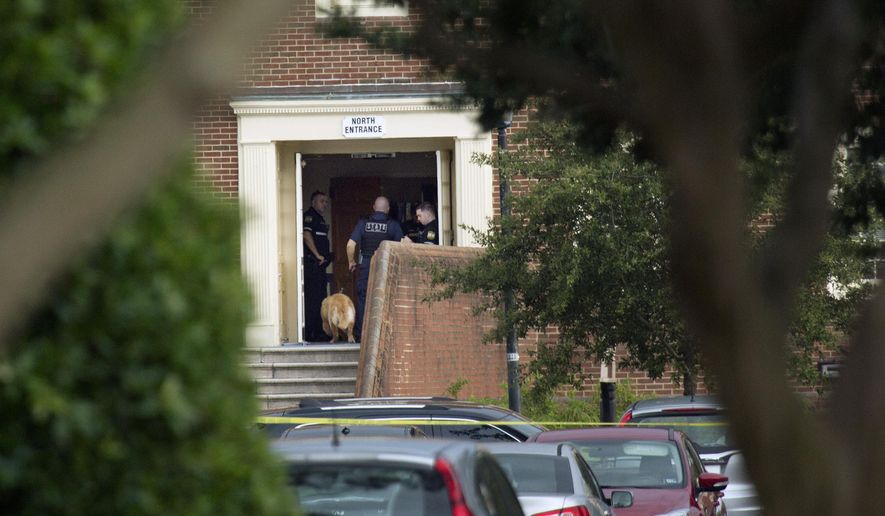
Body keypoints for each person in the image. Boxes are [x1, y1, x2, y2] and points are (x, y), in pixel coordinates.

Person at [347, 196, 403, 341]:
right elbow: (402, 247)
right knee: (385, 298)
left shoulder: (363, 223)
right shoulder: (393, 225)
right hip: (385, 265)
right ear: (388, 209)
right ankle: (382, 336)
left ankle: (361, 334)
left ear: (373, 207)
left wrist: (351, 261)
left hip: (366, 264)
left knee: (363, 298)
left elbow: (350, 245)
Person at [303, 191, 332, 342]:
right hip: (312, 266)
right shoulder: (309, 216)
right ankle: (311, 333)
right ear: (313, 202)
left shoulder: (320, 219)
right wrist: (317, 255)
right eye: (322, 201)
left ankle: (319, 331)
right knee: (313, 301)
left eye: (326, 202)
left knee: (321, 299)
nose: (325, 204)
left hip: (320, 267)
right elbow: (306, 235)